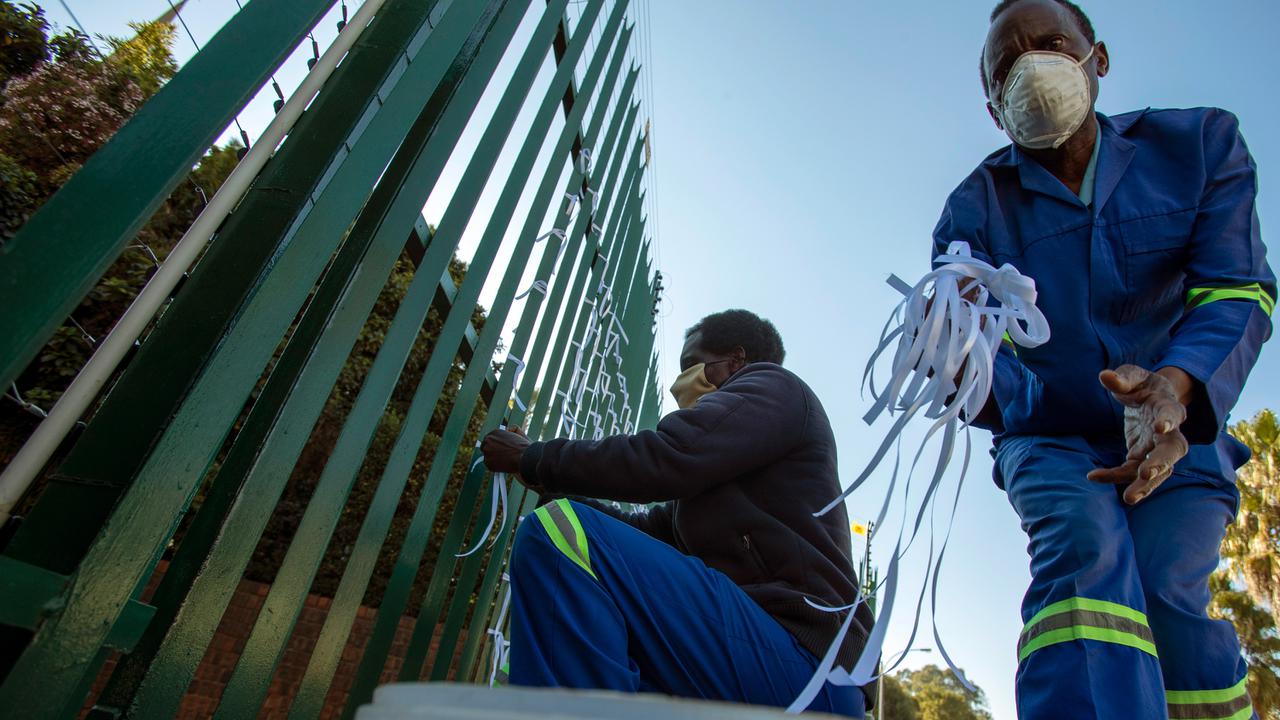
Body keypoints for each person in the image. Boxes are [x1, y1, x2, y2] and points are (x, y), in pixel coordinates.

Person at [937, 0, 1275, 717]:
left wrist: (1173, 389)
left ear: (1098, 57)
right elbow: (976, 371)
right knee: (1085, 560)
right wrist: (954, 362)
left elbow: (1237, 292)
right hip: (1049, 439)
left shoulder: (1200, 146)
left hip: (1177, 432)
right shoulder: (974, 209)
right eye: (1007, 66)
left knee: (1164, 594)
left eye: (1052, 43)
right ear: (995, 109)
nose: (1032, 67)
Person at [480, 309, 873, 716]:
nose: (678, 383)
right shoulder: (712, 485)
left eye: (691, 364)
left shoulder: (774, 385)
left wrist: (534, 457)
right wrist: (545, 480)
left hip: (808, 660)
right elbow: (642, 532)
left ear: (737, 360)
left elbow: (668, 456)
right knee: (603, 633)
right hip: (760, 653)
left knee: (554, 531)